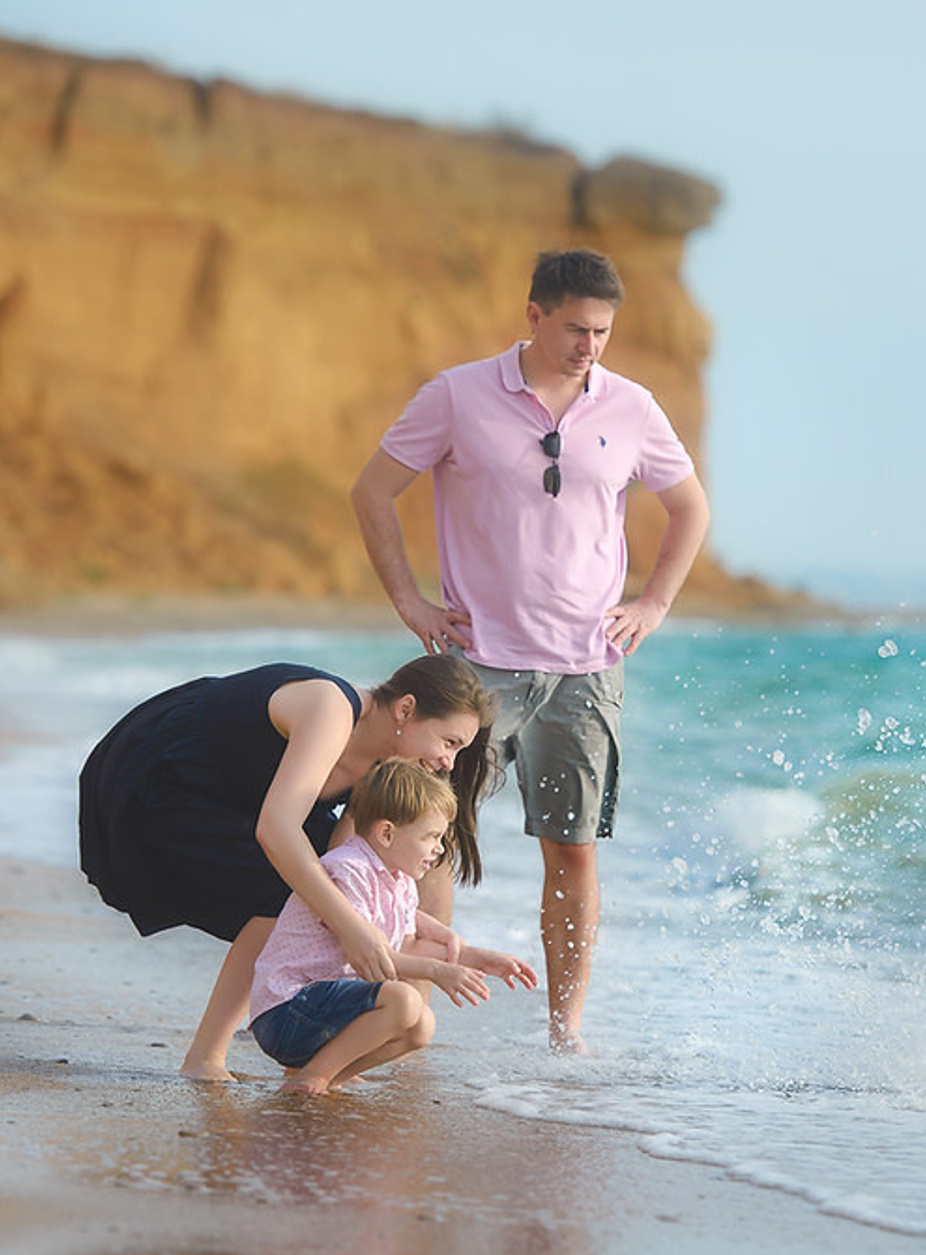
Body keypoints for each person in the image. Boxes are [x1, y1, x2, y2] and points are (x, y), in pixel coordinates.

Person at [350, 248, 711, 1052]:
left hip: (588, 667)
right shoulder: (457, 395)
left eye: (604, 332)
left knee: (574, 852)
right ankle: (418, 1003)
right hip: (479, 663)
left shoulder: (632, 407)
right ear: (534, 317)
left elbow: (689, 508)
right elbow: (372, 490)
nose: (590, 346)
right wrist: (410, 601)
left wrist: (653, 604)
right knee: (430, 832)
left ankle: (565, 1032)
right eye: (576, 328)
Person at [79, 652, 498, 1081]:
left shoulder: (381, 772)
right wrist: (352, 931)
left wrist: (454, 951)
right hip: (166, 768)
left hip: (240, 798)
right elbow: (277, 830)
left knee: (312, 881)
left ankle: (310, 1047)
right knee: (285, 886)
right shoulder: (331, 708)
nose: (450, 763)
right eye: (449, 743)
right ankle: (205, 1058)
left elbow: (348, 876)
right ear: (406, 709)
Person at [250, 758, 536, 1095]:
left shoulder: (399, 881)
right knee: (404, 1000)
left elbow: (406, 944)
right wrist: (435, 972)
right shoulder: (348, 869)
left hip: (320, 1013)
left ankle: (321, 1075)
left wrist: (474, 957)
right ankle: (315, 1076)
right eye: (431, 836)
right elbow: (378, 956)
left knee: (421, 1026)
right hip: (286, 1010)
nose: (439, 848)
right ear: (387, 833)